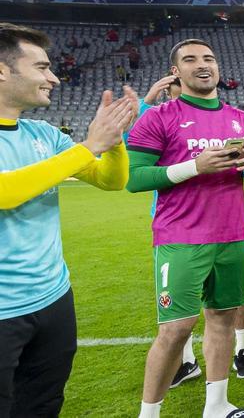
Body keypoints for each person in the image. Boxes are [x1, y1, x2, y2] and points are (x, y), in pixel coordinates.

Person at [126, 39, 244, 418]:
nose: (202, 64)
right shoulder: (158, 117)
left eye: (209, 57)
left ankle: (217, 405)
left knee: (222, 319)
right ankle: (149, 415)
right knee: (176, 329)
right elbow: (135, 177)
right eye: (190, 59)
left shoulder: (242, 118)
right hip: (181, 238)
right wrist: (196, 166)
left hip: (232, 236)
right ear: (176, 72)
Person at [0, 23, 136, 417]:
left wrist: (113, 142)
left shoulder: (42, 133)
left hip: (54, 299)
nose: (53, 77)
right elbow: (5, 192)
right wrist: (89, 145)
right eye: (42, 67)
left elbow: (112, 181)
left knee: (43, 405)